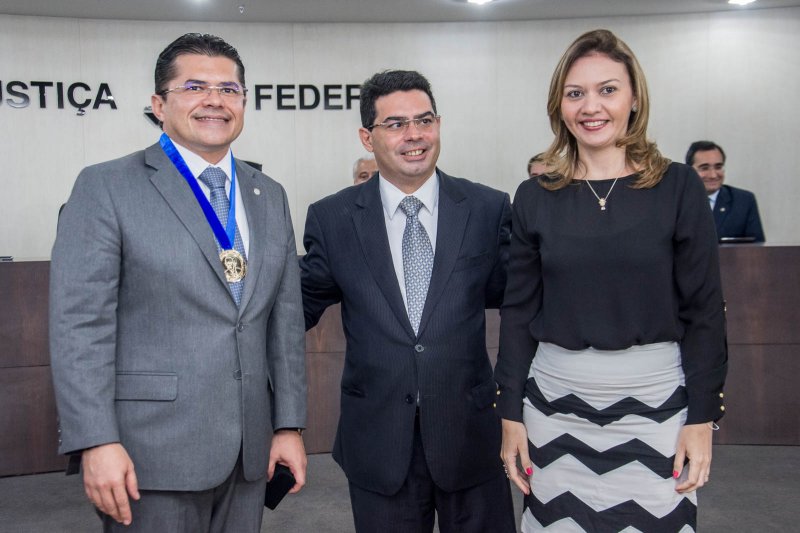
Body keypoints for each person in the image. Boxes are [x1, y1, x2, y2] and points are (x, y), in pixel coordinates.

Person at [50, 33, 307, 532]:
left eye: (229, 89)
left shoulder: (267, 194)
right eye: (194, 87)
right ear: (158, 104)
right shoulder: (107, 186)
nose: (215, 100)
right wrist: (95, 440)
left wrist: (288, 424)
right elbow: (79, 325)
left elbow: (285, 321)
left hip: (249, 453)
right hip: (148, 453)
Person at [494, 29, 728, 532]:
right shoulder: (534, 196)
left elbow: (704, 311)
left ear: (634, 97)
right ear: (559, 104)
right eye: (575, 93)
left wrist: (702, 417)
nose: (590, 106)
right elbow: (517, 315)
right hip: (555, 406)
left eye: (607, 89)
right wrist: (510, 413)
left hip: (658, 404)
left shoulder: (677, 186)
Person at [301, 70, 515, 533]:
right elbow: (296, 306)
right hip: (378, 440)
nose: (414, 135)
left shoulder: (486, 208)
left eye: (424, 120)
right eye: (396, 124)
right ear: (367, 136)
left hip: (470, 436)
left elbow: (521, 300)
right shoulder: (334, 217)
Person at [685, 140, 765, 242]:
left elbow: (757, 250)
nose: (713, 175)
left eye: (718, 167)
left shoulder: (744, 201)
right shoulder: (675, 202)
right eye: (704, 168)